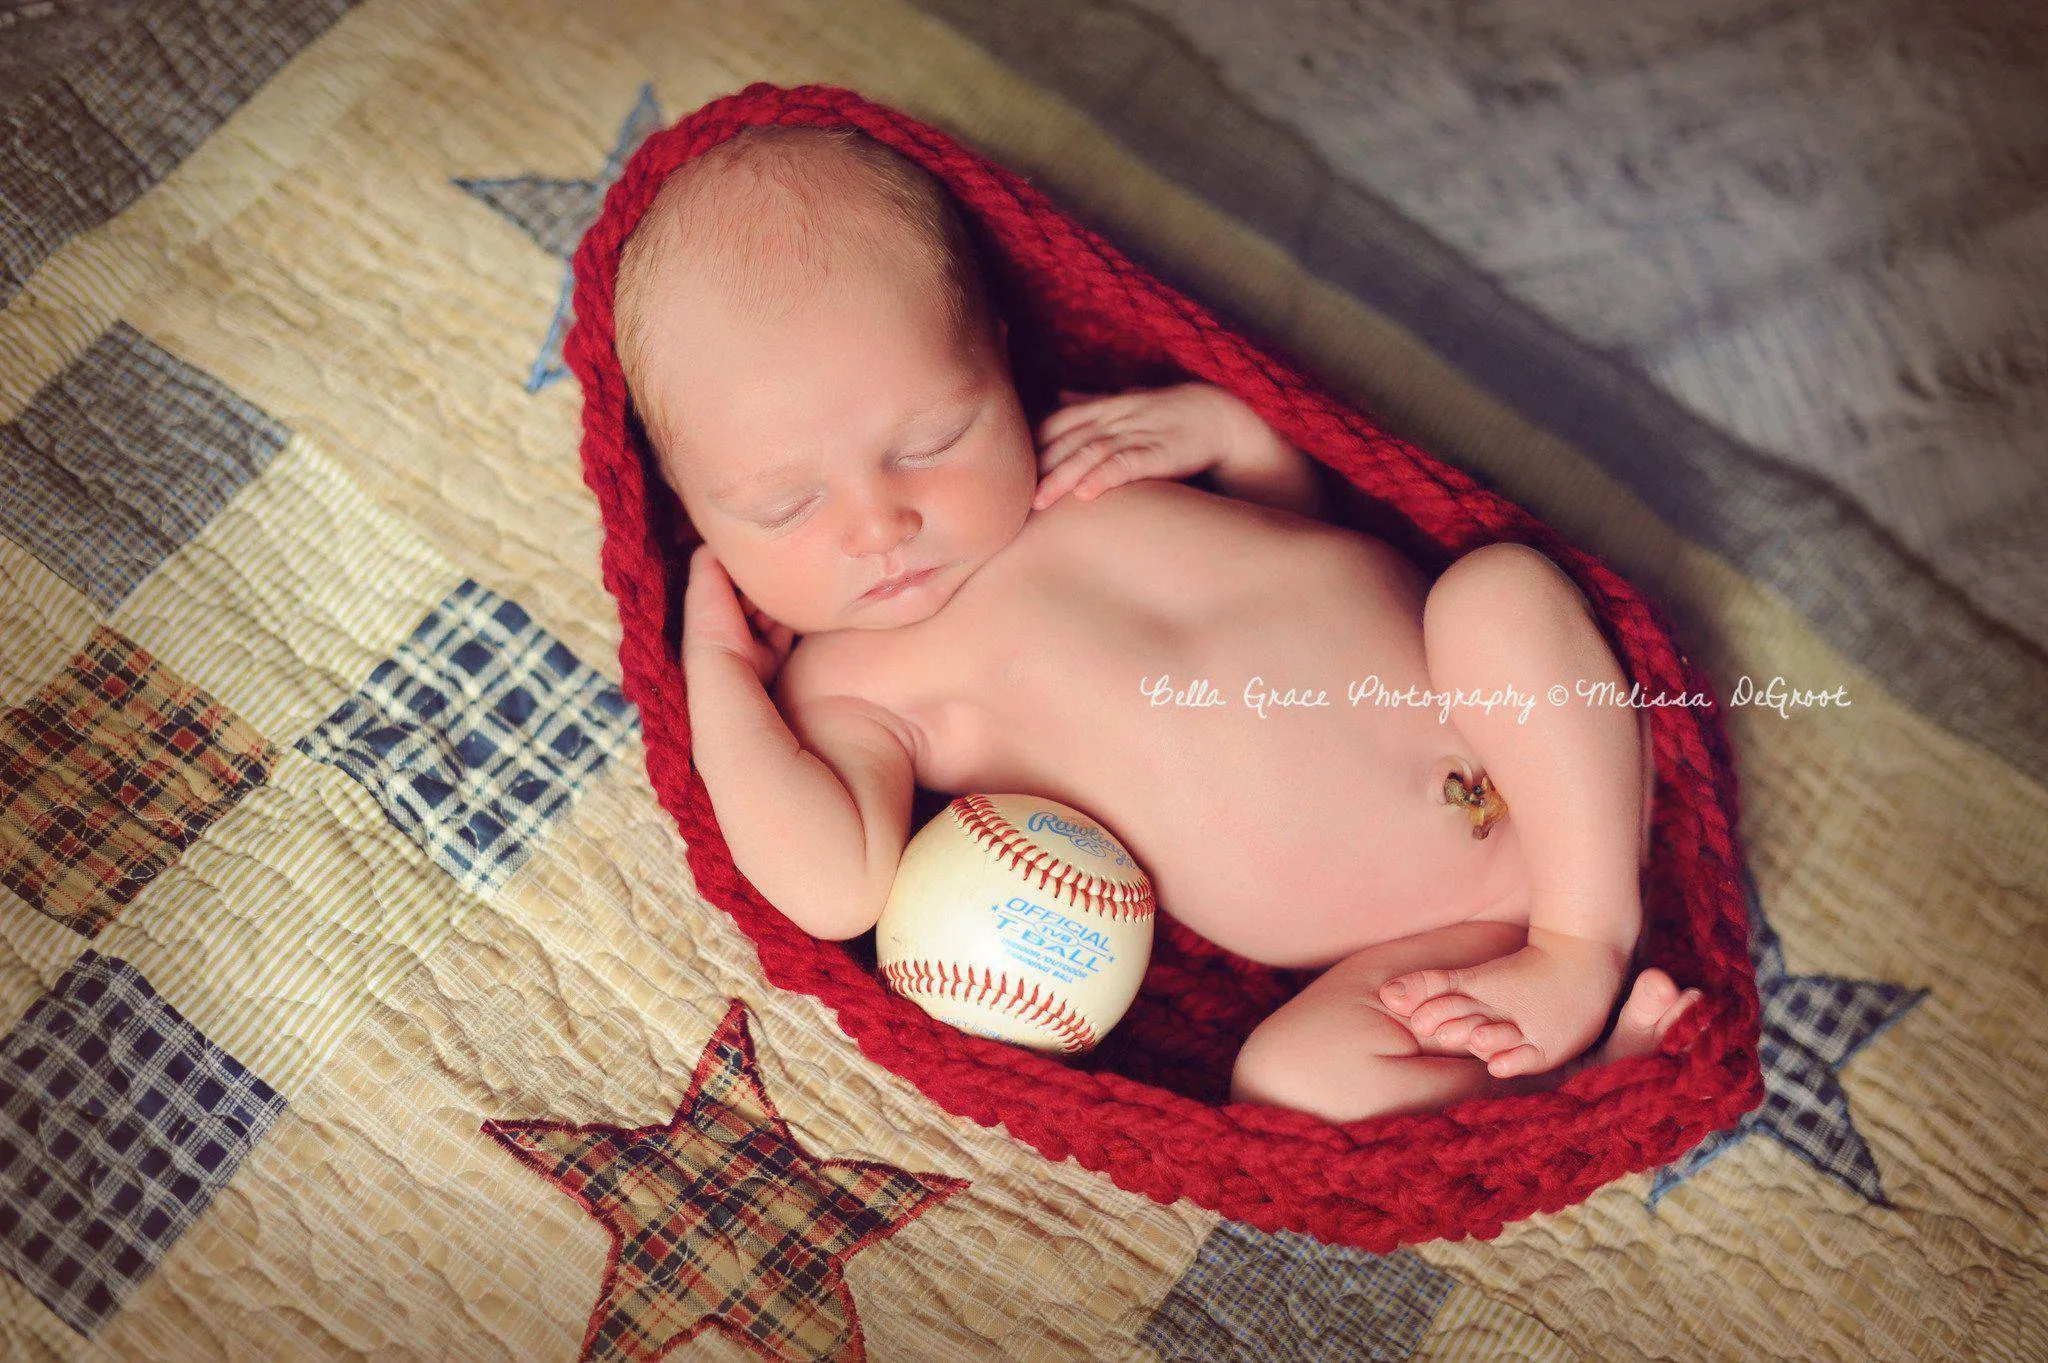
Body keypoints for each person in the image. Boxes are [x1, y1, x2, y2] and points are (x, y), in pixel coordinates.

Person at [612, 124, 1700, 1123]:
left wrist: (1231, 430)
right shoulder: (852, 683)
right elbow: (831, 885)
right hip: (1421, 943)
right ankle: (1553, 1069)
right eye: (786, 506)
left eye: (933, 437)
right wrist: (712, 669)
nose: (880, 521)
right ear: (693, 510)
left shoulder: (1077, 452)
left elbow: (1301, 550)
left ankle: (1583, 933)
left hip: (1537, 751)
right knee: (1289, 1083)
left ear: (999, 357)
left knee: (1499, 590)